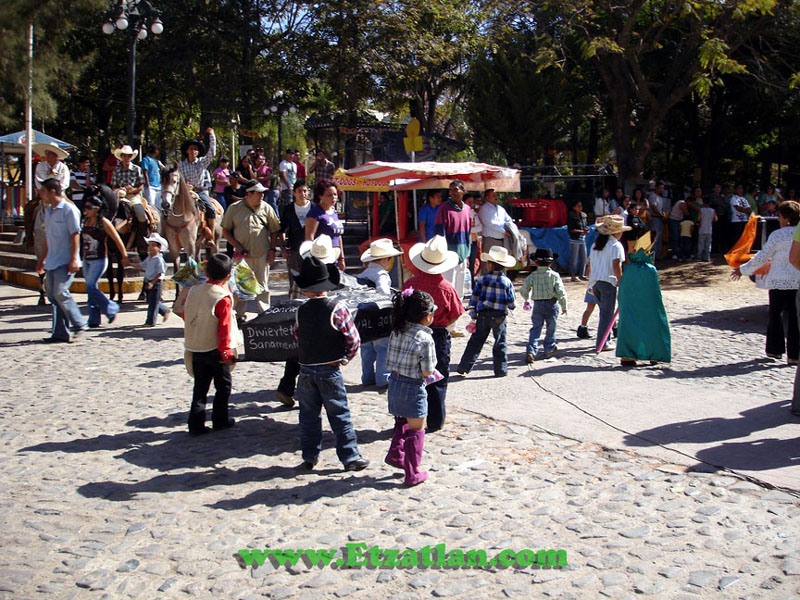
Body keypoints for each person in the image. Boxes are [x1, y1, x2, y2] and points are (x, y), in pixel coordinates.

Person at [294, 256, 369, 471]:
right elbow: (353, 339)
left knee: (308, 416)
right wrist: (345, 358)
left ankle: (310, 455)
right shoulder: (337, 308)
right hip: (330, 369)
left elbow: (298, 336)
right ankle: (350, 456)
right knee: (339, 415)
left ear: (305, 289)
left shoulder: (300, 310)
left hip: (306, 368)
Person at [403, 236, 464, 432]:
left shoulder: (410, 284)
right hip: (438, 334)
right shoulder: (447, 288)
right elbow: (456, 313)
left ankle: (412, 416)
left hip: (412, 334)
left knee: (413, 376)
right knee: (438, 377)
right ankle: (435, 419)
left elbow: (402, 308)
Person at [733, 201, 800, 365]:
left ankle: (775, 349)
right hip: (797, 281)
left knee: (775, 314)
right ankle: (794, 354)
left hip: (777, 281)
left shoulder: (777, 235)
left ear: (785, 217)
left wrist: (743, 269)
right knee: (795, 318)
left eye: (780, 216)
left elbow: (762, 257)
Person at [183, 253, 241, 435]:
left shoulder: (194, 291)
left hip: (196, 346)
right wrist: (226, 352)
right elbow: (224, 327)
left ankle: (195, 424)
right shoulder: (222, 297)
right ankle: (220, 419)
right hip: (216, 350)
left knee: (200, 388)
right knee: (223, 387)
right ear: (228, 276)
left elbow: (187, 314)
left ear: (206, 272)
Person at [385, 288, 437, 486]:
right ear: (427, 316)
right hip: (413, 387)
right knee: (417, 429)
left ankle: (396, 454)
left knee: (401, 420)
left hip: (394, 383)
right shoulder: (425, 338)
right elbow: (427, 371)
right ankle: (412, 472)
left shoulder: (397, 330)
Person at [34, 178, 88, 343]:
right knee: (53, 296)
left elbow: (75, 234)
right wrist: (42, 259)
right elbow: (48, 238)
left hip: (65, 260)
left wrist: (74, 258)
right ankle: (60, 332)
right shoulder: (49, 211)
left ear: (52, 191)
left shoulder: (69, 209)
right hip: (52, 260)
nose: (40, 194)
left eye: (43, 191)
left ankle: (79, 323)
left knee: (60, 292)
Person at [221, 180, 281, 320]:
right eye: (258, 193)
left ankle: (264, 313)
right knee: (240, 286)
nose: (262, 196)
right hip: (242, 255)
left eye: (262, 193)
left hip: (262, 253)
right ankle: (239, 315)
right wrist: (236, 245)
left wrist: (272, 250)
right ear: (249, 194)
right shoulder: (234, 208)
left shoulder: (267, 208)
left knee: (263, 285)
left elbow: (274, 230)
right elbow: (226, 231)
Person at [456, 245, 517, 377]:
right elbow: (512, 303)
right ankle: (500, 370)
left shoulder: (482, 280)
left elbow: (474, 298)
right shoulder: (506, 282)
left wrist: (473, 313)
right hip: (499, 316)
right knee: (500, 342)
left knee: (476, 341)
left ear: (489, 265)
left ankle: (464, 366)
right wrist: (510, 306)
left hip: (483, 314)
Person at [357, 238, 403, 389]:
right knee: (383, 348)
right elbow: (383, 292)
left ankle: (367, 377)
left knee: (366, 349)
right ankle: (383, 377)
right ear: (385, 259)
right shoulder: (381, 274)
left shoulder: (363, 274)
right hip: (379, 317)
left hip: (364, 316)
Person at [80, 194, 130, 328]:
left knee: (90, 286)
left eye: (88, 207)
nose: (85, 210)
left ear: (96, 209)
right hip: (86, 259)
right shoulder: (85, 221)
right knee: (92, 289)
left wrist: (124, 255)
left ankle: (111, 307)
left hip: (99, 259)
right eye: (85, 207)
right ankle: (94, 319)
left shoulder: (103, 222)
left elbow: (117, 239)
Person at [586, 214, 630, 352]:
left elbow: (590, 264)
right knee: (607, 314)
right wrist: (621, 280)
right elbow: (616, 265)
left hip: (595, 282)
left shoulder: (596, 245)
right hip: (608, 282)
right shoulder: (616, 246)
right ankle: (603, 342)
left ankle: (605, 339)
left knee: (604, 312)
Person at [520, 248, 567, 363]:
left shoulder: (532, 276)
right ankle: (549, 349)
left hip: (537, 304)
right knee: (551, 328)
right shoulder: (554, 275)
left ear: (536, 262)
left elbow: (523, 290)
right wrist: (564, 306)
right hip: (551, 304)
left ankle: (531, 351)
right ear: (551, 263)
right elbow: (561, 292)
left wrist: (527, 298)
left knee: (536, 328)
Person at [435, 180, 472, 298]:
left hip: (463, 253)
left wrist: (467, 254)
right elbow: (439, 233)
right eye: (450, 190)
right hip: (448, 254)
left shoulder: (467, 209)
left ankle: (458, 307)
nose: (452, 193)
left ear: (463, 191)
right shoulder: (444, 209)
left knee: (460, 288)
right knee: (448, 285)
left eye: (455, 189)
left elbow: (468, 233)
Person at [178, 128, 217, 240]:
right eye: (191, 149)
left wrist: (212, 136)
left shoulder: (201, 163)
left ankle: (210, 237)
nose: (193, 151)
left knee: (210, 209)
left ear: (198, 152)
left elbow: (212, 153)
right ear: (187, 151)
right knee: (172, 208)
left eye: (195, 149)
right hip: (185, 192)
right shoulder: (180, 166)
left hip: (200, 191)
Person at [279, 179, 313, 299]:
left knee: (312, 279)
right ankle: (294, 304)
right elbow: (281, 230)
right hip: (294, 250)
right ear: (294, 193)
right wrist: (283, 247)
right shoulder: (288, 209)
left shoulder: (314, 208)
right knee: (294, 280)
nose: (302, 194)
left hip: (312, 251)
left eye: (305, 191)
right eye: (299, 191)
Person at [305, 179, 346, 272]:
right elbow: (309, 238)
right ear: (320, 196)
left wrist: (341, 258)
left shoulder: (333, 212)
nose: (333, 198)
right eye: (329, 195)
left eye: (335, 194)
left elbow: (338, 235)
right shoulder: (315, 213)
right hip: (321, 259)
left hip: (335, 258)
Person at [110, 144, 148, 242]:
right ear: (121, 157)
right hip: (119, 195)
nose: (126, 158)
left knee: (141, 215)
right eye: (125, 155)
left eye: (129, 156)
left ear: (131, 157)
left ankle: (142, 239)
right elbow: (113, 186)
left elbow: (141, 186)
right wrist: (120, 189)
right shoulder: (116, 170)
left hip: (133, 196)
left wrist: (132, 190)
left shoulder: (137, 169)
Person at [132, 233, 171, 327]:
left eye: (153, 245)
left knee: (152, 305)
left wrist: (153, 282)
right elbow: (142, 265)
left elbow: (160, 273)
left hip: (156, 283)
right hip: (148, 281)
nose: (150, 247)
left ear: (159, 247)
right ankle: (164, 310)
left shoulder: (159, 259)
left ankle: (150, 322)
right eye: (149, 245)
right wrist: (129, 264)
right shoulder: (149, 258)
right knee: (151, 301)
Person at [478, 188, 512, 276]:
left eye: (496, 195)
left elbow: (508, 220)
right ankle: (485, 281)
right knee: (488, 263)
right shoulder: (484, 209)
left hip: (502, 239)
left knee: (501, 263)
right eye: (493, 195)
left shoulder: (501, 209)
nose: (496, 197)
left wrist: (510, 229)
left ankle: (500, 280)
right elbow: (490, 223)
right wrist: (503, 231)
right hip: (490, 239)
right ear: (487, 197)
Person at [567, 200, 589, 281]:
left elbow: (584, 226)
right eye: (578, 206)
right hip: (574, 239)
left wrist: (585, 230)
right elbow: (571, 229)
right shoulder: (571, 216)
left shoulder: (583, 216)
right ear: (574, 207)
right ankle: (573, 275)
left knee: (584, 258)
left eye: (581, 206)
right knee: (574, 259)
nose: (580, 207)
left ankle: (582, 274)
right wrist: (582, 231)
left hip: (582, 239)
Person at [648, 182, 669, 259]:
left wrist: (663, 215)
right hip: (654, 218)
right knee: (654, 237)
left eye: (663, 188)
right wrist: (661, 215)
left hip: (660, 219)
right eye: (660, 188)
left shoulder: (660, 198)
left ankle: (657, 255)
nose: (662, 190)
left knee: (659, 237)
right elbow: (654, 208)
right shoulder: (653, 196)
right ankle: (652, 256)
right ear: (656, 188)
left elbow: (661, 209)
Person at [140, 144, 162, 209]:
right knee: (151, 205)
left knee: (159, 206)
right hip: (150, 186)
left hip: (158, 186)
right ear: (155, 151)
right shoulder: (146, 159)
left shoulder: (156, 161)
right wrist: (148, 184)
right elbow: (145, 172)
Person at [668, 194, 689, 260]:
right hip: (674, 220)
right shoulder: (682, 203)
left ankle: (679, 253)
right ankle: (674, 253)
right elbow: (686, 212)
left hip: (679, 221)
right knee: (675, 237)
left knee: (680, 237)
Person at [697, 197, 717, 261]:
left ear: (703, 203)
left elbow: (698, 219)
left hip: (702, 229)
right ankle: (707, 257)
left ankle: (699, 257)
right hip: (709, 229)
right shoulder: (713, 210)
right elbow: (716, 219)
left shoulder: (701, 210)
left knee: (701, 244)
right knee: (708, 245)